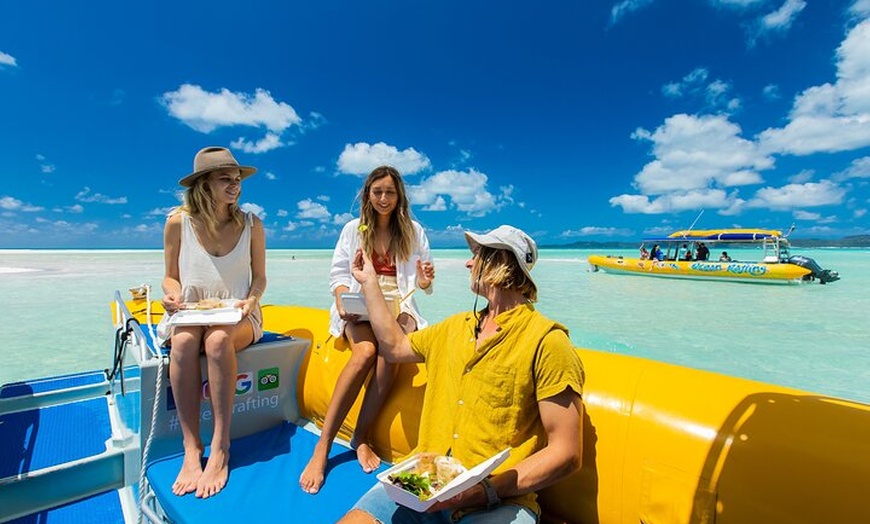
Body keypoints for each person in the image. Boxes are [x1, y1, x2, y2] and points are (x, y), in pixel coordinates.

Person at [338, 225, 585, 524]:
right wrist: (369, 283)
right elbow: (394, 346)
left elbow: (567, 453)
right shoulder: (454, 328)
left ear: (500, 262)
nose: (469, 263)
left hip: (498, 501)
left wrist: (484, 491)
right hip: (423, 483)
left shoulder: (547, 342)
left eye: (477, 254)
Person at [300, 166, 436, 494]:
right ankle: (323, 447)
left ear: (399, 195)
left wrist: (425, 281)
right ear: (368, 195)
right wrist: (342, 301)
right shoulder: (352, 230)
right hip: (361, 304)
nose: (384, 199)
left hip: (399, 306)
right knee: (365, 351)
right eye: (378, 192)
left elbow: (423, 284)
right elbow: (338, 275)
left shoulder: (414, 231)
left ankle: (361, 436)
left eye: (390, 192)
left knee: (391, 351)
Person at [161, 146, 267, 498]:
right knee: (184, 342)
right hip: (192, 311)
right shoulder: (177, 222)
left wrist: (250, 301)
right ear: (204, 184)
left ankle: (220, 446)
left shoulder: (252, 225)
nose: (235, 185)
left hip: (240, 314)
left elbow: (260, 279)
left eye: (237, 179)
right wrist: (171, 296)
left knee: (218, 341)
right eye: (225, 179)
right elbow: (170, 277)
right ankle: (192, 447)